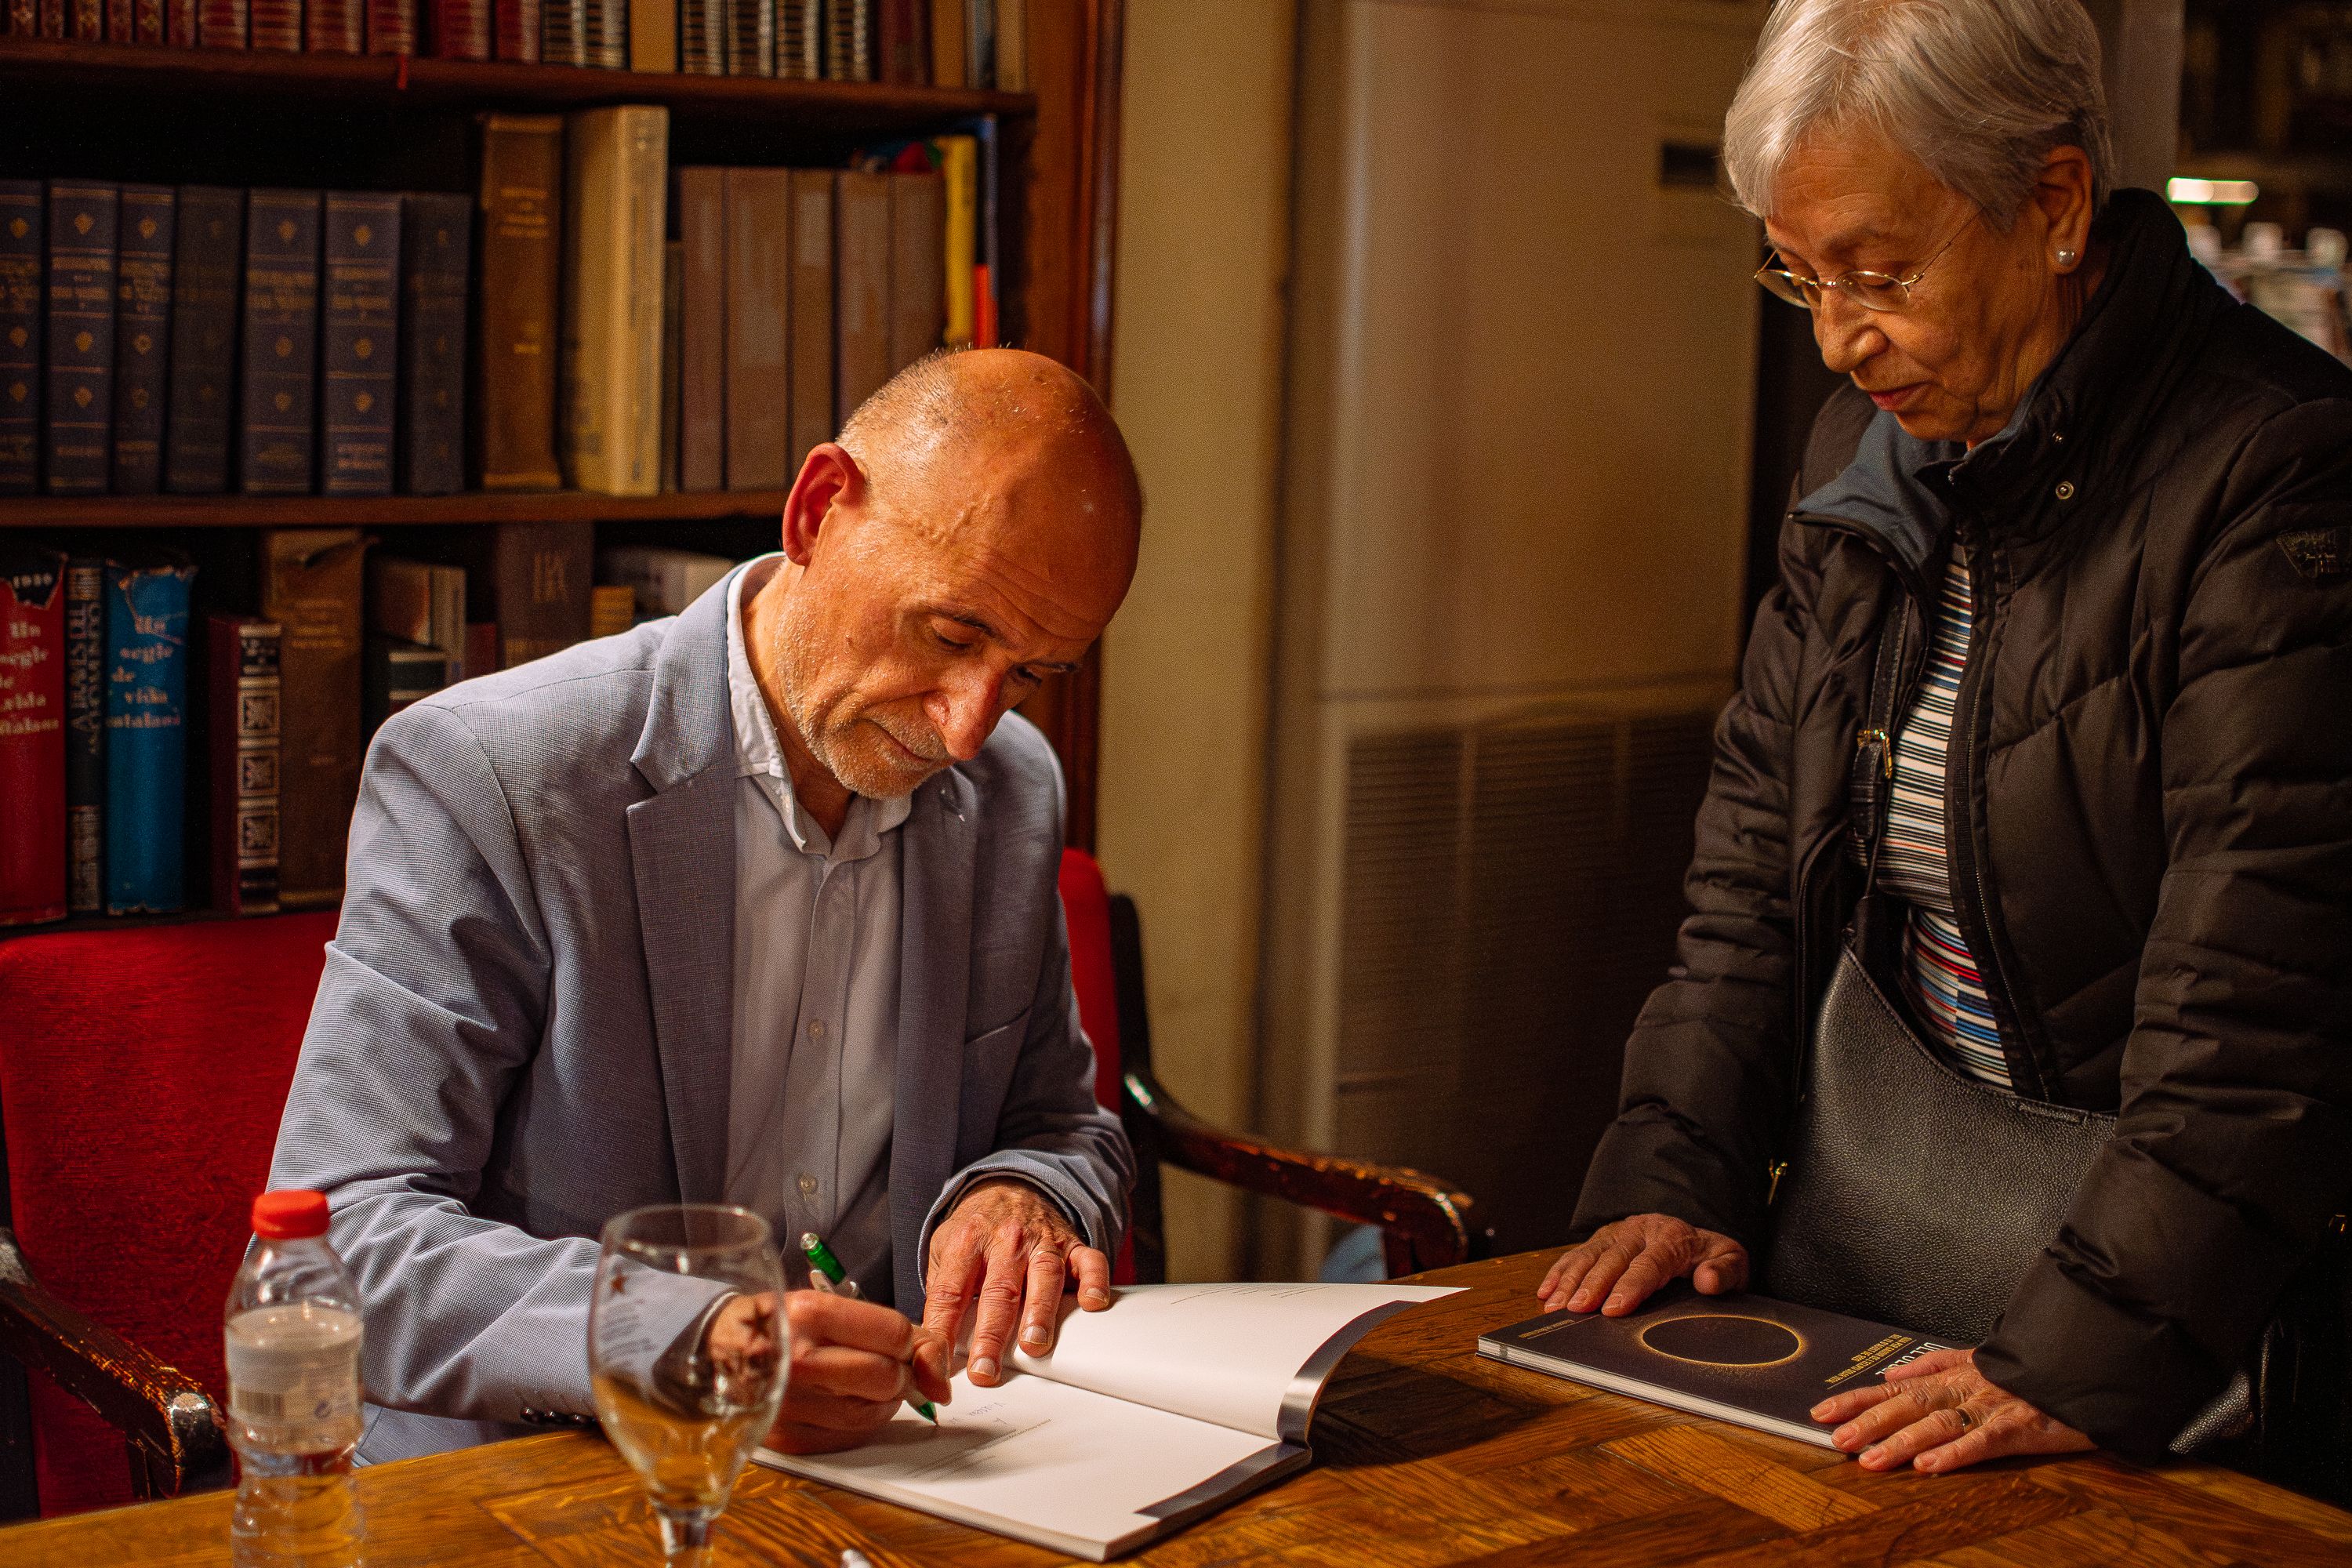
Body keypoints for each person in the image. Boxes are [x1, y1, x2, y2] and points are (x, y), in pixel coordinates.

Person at [1542, 0, 2352, 1479]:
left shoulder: (2280, 477)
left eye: (1880, 273)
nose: (1840, 338)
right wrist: (1677, 1172)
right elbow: (1753, 880)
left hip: (2178, 1333)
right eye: (1803, 278)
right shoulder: (1871, 456)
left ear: (2054, 205)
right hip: (1897, 1260)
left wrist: (2085, 1359)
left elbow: (2259, 1006)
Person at [269, 348, 1144, 1462]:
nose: (968, 728)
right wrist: (685, 1339)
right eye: (952, 635)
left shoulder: (1013, 792)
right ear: (819, 510)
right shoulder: (491, 773)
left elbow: (1062, 1125)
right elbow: (341, 1240)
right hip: (563, 1468)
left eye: (1030, 674)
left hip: (898, 1466)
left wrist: (1025, 1193)